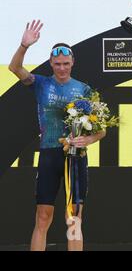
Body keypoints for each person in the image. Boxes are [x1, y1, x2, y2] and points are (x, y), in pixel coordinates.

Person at [8, 20, 106, 251]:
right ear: (51, 63)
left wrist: (88, 139)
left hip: (76, 157)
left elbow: (102, 129)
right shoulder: (40, 83)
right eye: (57, 64)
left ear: (72, 63)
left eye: (66, 63)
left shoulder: (84, 89)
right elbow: (15, 68)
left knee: (74, 218)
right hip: (50, 154)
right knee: (43, 216)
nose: (62, 68)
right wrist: (24, 45)